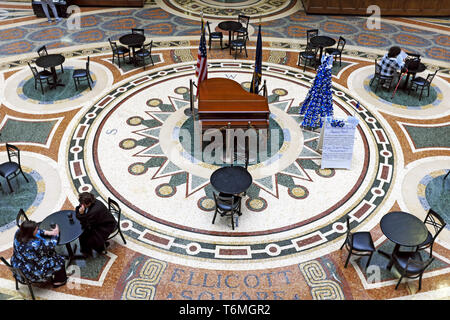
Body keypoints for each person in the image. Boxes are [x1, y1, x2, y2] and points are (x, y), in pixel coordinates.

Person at [11, 220, 67, 288]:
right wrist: (56, 234)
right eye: (36, 229)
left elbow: (33, 232)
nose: (38, 229)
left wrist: (48, 232)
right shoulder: (35, 244)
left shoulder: (18, 232)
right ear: (31, 232)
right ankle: (59, 281)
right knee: (60, 259)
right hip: (33, 271)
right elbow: (51, 245)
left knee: (49, 255)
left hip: (18, 264)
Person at [75, 192, 117, 257]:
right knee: (85, 233)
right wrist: (80, 212)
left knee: (85, 235)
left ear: (88, 203)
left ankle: (88, 251)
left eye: (82, 204)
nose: (81, 205)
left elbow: (87, 225)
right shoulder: (94, 200)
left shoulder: (93, 212)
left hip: (107, 226)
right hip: (103, 221)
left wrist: (81, 214)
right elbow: (80, 209)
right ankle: (97, 247)